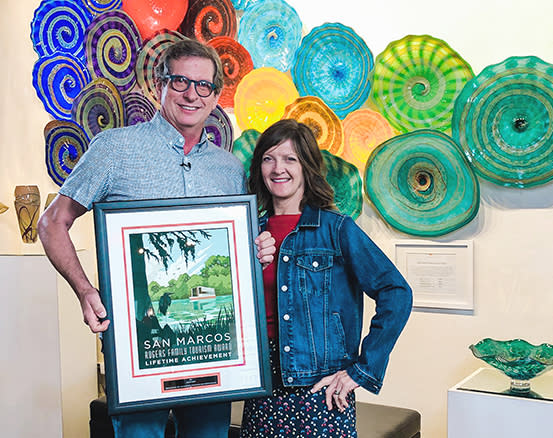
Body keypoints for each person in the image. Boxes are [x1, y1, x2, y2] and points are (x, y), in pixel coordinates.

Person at [38, 39, 275, 438]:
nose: (191, 94)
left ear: (216, 96)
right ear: (159, 84)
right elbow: (52, 222)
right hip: (136, 349)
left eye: (203, 86)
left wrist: (258, 250)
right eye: (180, 81)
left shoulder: (229, 168)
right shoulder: (114, 149)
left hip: (213, 352)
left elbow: (235, 252)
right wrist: (84, 291)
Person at [240, 119, 412, 437]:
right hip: (261, 386)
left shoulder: (337, 229)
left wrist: (361, 370)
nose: (278, 168)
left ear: (307, 166)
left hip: (321, 389)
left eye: (290, 159)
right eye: (269, 158)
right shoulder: (247, 231)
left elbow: (396, 292)